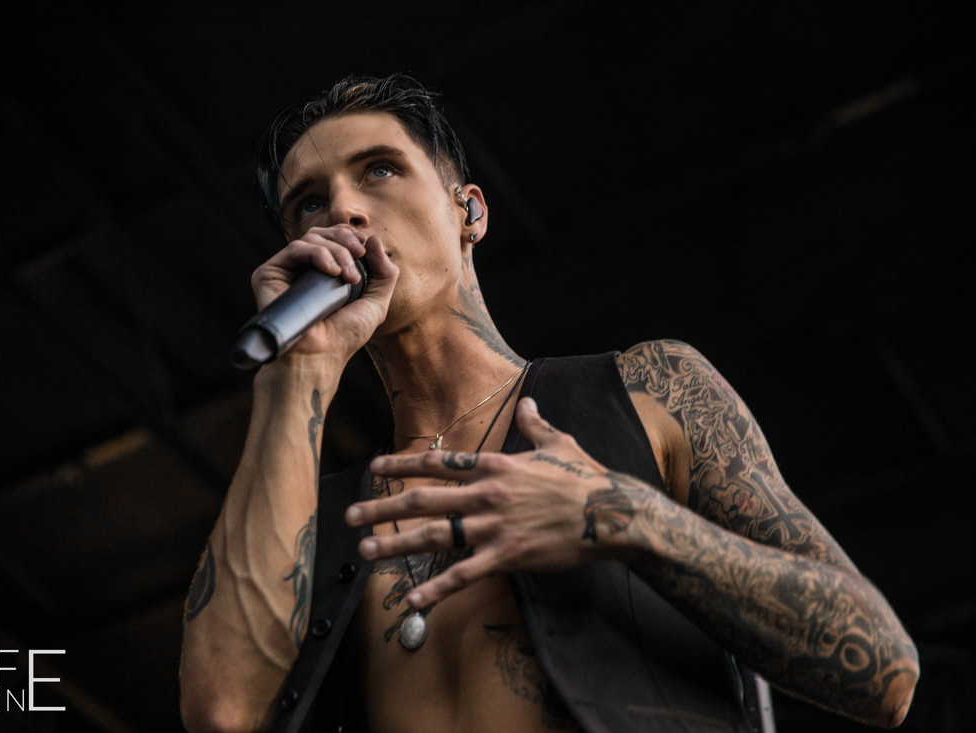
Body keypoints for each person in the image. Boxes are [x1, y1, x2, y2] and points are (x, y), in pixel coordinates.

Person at [178, 73, 919, 733]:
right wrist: (297, 373)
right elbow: (221, 712)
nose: (342, 209)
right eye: (309, 202)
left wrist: (620, 517)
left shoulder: (649, 390)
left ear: (469, 212)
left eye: (379, 169)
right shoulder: (306, 517)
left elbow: (884, 670)